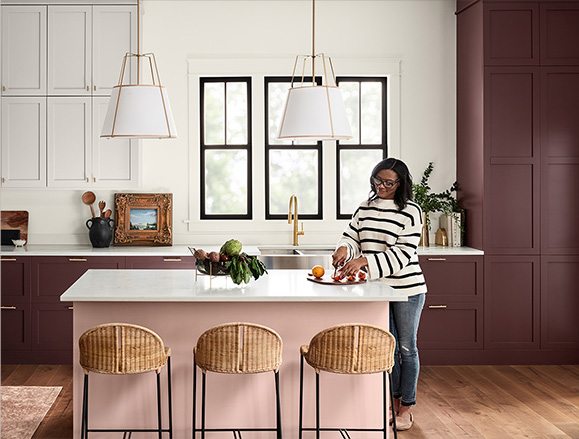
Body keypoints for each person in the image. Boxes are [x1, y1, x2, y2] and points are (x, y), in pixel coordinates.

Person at [332, 157, 427, 431]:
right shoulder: (365, 206)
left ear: (401, 184)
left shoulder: (411, 211)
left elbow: (402, 253)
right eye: (378, 180)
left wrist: (364, 262)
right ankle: (389, 403)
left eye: (388, 182)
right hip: (375, 289)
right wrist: (345, 250)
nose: (382, 186)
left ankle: (406, 406)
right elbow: (351, 236)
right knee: (387, 348)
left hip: (407, 288)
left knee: (407, 349)